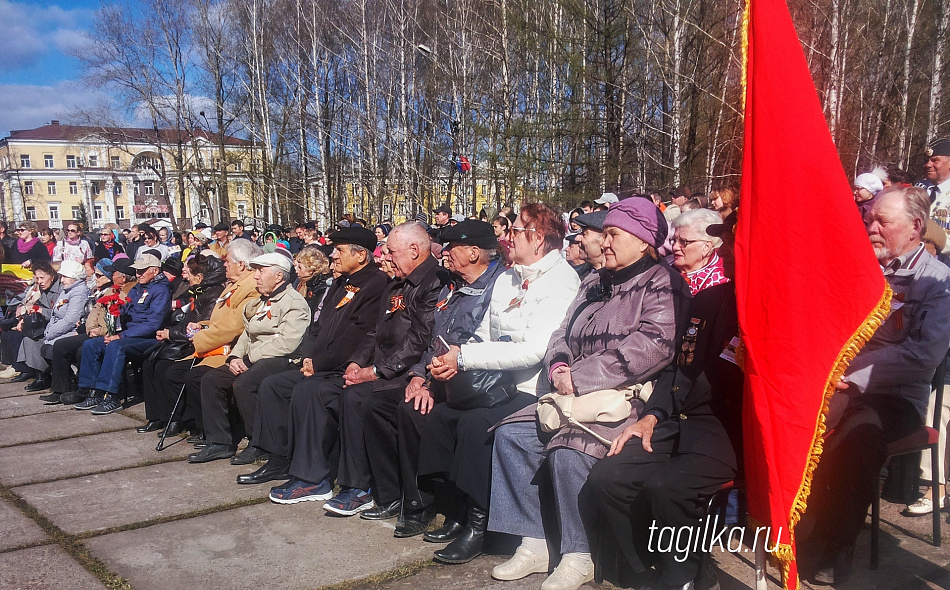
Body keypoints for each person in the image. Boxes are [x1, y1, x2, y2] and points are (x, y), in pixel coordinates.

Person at [488, 197, 688, 590]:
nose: (604, 243)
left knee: (569, 451)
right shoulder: (594, 281)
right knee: (511, 436)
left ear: (642, 239)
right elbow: (562, 331)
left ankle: (579, 554)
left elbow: (654, 345)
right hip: (570, 393)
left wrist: (580, 377)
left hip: (624, 399)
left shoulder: (663, 283)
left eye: (613, 234)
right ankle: (535, 541)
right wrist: (560, 366)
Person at [797, 185, 950, 585]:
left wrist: (850, 372)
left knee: (856, 440)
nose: (872, 228)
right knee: (799, 425)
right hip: (837, 384)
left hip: (895, 395)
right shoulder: (861, 269)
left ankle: (835, 543)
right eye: (869, 220)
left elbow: (922, 357)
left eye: (883, 221)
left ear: (916, 226)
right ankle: (795, 520)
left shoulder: (937, 283)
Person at [417, 204, 580, 564]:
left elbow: (534, 352)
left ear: (537, 239)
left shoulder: (561, 281)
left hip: (531, 386)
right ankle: (457, 510)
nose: (506, 237)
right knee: (442, 416)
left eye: (516, 231)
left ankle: (482, 526)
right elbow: (483, 331)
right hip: (493, 380)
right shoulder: (510, 276)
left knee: (477, 426)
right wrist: (453, 359)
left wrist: (465, 359)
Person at [587, 213, 740, 590]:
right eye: (731, 242)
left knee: (667, 489)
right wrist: (652, 415)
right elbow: (677, 367)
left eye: (740, 242)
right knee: (608, 478)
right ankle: (646, 572)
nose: (733, 249)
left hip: (729, 432)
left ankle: (681, 576)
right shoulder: (707, 299)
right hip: (678, 418)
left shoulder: (776, 312)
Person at [360, 220, 507, 530]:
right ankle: (402, 497)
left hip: (473, 380)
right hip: (436, 374)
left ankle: (424, 503)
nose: (444, 253)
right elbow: (432, 338)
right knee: (379, 406)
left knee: (413, 412)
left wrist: (430, 380)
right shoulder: (451, 285)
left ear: (473, 252)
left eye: (451, 248)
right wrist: (418, 376)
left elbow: (477, 342)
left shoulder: (498, 287)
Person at [244, 227, 388, 499]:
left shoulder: (375, 284)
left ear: (360, 256)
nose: (333, 255)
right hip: (321, 363)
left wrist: (318, 364)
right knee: (273, 386)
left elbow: (357, 334)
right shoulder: (340, 283)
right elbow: (318, 326)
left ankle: (313, 478)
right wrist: (309, 355)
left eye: (340, 250)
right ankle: (280, 460)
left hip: (343, 367)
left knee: (309, 391)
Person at [188, 250, 310, 463]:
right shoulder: (263, 301)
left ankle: (259, 442)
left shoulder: (294, 302)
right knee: (211, 379)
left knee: (244, 384)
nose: (255, 276)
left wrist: (247, 360)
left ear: (279, 276)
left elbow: (287, 343)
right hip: (253, 358)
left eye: (261, 272)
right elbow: (247, 333)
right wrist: (234, 357)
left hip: (280, 359)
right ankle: (220, 442)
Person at [176, 239, 264, 443]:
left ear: (241, 264)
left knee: (200, 377)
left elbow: (234, 326)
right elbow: (221, 318)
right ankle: (207, 431)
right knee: (184, 373)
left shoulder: (251, 286)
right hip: (217, 343)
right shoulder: (235, 284)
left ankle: (220, 435)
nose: (223, 264)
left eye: (227, 261)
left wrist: (200, 338)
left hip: (231, 349)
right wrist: (202, 325)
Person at [70, 254, 171, 414]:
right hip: (128, 333)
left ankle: (112, 396)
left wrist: (121, 335)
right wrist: (113, 315)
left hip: (148, 338)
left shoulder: (161, 290)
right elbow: (125, 310)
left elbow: (153, 324)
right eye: (137, 271)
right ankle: (92, 391)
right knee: (91, 344)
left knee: (116, 347)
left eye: (142, 271)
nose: (138, 274)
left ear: (155, 270)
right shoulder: (138, 287)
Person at [139, 255, 228, 434]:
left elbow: (202, 324)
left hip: (198, 344)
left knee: (166, 368)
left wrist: (171, 333)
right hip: (184, 338)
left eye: (188, 273)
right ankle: (157, 416)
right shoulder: (196, 291)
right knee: (149, 363)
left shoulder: (213, 293)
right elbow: (188, 319)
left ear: (200, 277)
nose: (184, 276)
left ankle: (177, 417)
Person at [46, 259, 137, 405]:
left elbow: (120, 321)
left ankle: (87, 390)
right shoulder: (110, 290)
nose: (111, 275)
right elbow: (95, 311)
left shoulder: (130, 292)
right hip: (95, 330)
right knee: (61, 345)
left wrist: (100, 331)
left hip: (108, 333)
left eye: (113, 273)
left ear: (123, 277)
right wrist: (90, 328)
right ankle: (60, 389)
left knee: (84, 350)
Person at [23, 261, 89, 394]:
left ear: (74, 277)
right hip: (57, 329)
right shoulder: (67, 290)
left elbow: (71, 319)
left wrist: (50, 333)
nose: (62, 280)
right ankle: (54, 381)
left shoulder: (78, 292)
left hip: (71, 331)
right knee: (35, 342)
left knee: (52, 347)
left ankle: (66, 384)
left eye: (65, 276)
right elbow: (55, 313)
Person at [0, 260, 63, 383]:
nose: (39, 281)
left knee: (27, 337)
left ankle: (32, 372)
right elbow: (34, 304)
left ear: (52, 275)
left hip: (55, 326)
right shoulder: (42, 288)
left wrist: (39, 310)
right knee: (14, 333)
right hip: (43, 323)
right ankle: (27, 370)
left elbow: (59, 313)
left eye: (42, 278)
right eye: (37, 278)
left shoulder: (60, 291)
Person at [668, 209, 729, 295]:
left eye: (683, 241)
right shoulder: (664, 269)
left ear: (706, 247)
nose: (675, 247)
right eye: (674, 240)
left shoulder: (720, 281)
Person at [292, 245, 332, 318]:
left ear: (311, 270)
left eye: (300, 267)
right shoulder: (301, 282)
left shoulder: (320, 287)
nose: (296, 270)